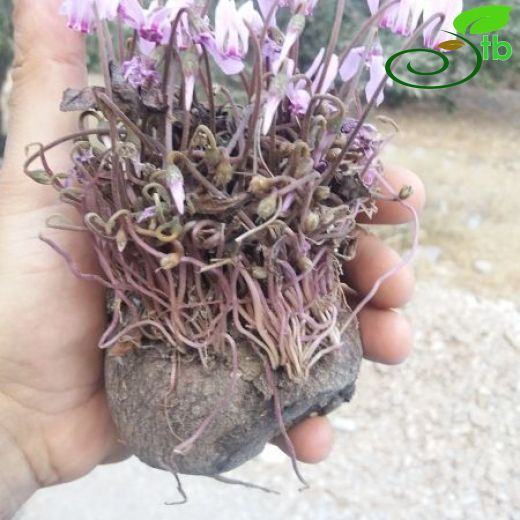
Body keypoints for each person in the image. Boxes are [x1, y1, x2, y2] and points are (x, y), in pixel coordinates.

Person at [0, 0, 425, 517]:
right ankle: (238, 338)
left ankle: (294, 341)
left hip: (296, 335)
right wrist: (14, 423)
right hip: (172, 360)